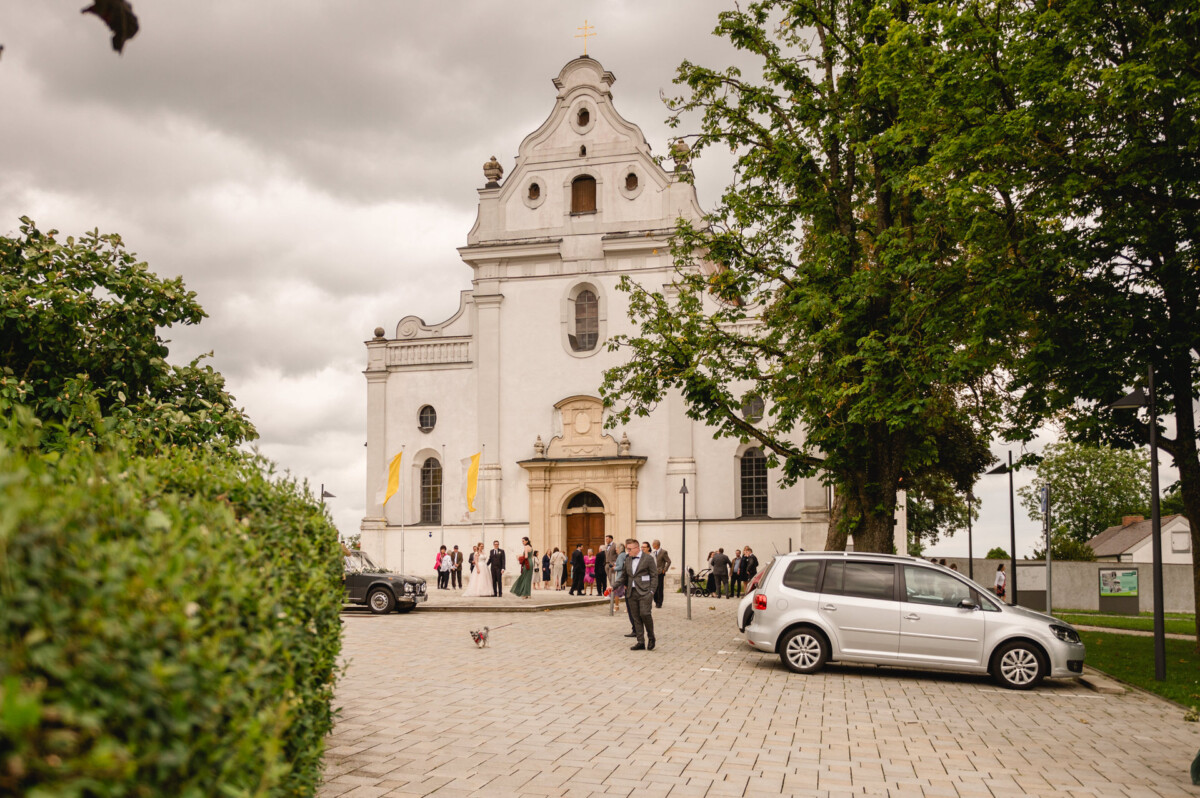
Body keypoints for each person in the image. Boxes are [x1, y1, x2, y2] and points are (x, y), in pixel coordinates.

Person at [614, 537, 658, 650]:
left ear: (637, 548)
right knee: (636, 617)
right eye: (627, 549)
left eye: (629, 549)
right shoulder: (628, 559)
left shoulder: (648, 558)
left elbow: (654, 575)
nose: (628, 551)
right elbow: (623, 576)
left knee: (645, 614)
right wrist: (612, 586)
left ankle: (651, 637)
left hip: (645, 592)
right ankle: (640, 642)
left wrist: (652, 591)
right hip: (631, 592)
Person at [651, 539, 671, 609]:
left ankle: (659, 603)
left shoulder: (663, 552)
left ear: (656, 545)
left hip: (660, 573)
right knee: (654, 587)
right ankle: (656, 601)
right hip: (653, 573)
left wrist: (664, 570)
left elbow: (668, 561)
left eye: (653, 544)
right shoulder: (653, 553)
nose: (652, 545)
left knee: (659, 588)